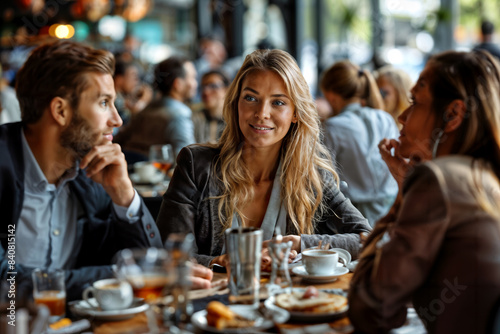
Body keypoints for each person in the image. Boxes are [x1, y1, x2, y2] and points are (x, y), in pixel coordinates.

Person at [0, 41, 210, 302]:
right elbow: (6, 285)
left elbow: (149, 266)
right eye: (103, 103)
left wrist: (124, 195)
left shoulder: (89, 175)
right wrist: (121, 276)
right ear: (60, 110)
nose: (117, 119)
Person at [156, 49, 371, 268]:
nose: (262, 113)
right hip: (210, 300)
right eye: (250, 98)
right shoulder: (195, 164)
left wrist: (301, 244)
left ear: (296, 113)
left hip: (286, 301)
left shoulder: (312, 175)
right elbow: (167, 255)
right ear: (236, 104)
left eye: (278, 102)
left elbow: (367, 239)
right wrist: (218, 261)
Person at [349, 50, 500, 334]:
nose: (403, 117)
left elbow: (369, 308)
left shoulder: (438, 180)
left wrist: (403, 195)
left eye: (415, 102)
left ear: (453, 114)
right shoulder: (484, 176)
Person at [320, 61, 399, 226]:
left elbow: (324, 182)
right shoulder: (385, 118)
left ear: (331, 96)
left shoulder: (333, 127)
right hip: (391, 211)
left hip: (351, 217)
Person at [115, 56, 197, 160]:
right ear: (178, 84)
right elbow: (188, 160)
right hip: (159, 174)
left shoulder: (145, 110)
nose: (195, 83)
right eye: (193, 78)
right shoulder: (179, 115)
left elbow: (118, 140)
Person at [192, 70, 229, 144]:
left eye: (213, 86)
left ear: (226, 89)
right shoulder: (194, 119)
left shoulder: (234, 121)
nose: (206, 92)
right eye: (203, 87)